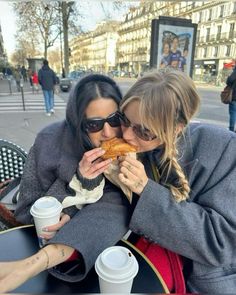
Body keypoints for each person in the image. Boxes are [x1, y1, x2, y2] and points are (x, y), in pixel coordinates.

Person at [0, 74, 130, 293]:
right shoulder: (48, 142)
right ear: (79, 123)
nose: (108, 133)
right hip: (42, 251)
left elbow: (118, 204)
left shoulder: (130, 143)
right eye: (94, 124)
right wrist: (78, 180)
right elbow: (25, 212)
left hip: (103, 256)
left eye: (115, 119)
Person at [116, 68, 236, 293]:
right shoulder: (132, 145)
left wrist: (145, 189)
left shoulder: (226, 150)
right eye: (124, 120)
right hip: (142, 265)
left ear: (176, 129)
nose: (127, 136)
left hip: (202, 281)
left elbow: (220, 244)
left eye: (144, 131)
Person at [226, 64, 236, 132]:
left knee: (233, 112)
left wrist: (228, 77)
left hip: (234, 96)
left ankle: (231, 129)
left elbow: (229, 80)